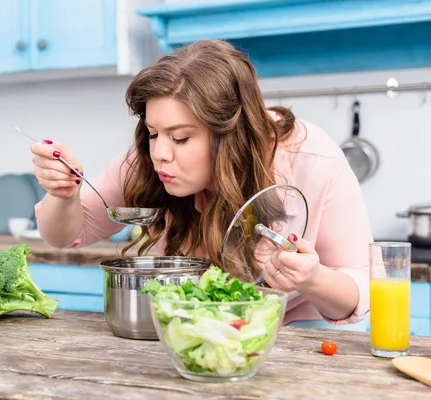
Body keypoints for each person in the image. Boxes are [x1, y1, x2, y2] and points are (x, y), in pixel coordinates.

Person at [31, 39, 377, 329]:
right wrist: (62, 195)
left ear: (231, 136)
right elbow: (64, 235)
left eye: (180, 138)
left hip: (293, 328)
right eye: (153, 133)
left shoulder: (312, 158)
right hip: (188, 326)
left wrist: (312, 279)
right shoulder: (149, 158)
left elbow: (363, 287)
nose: (160, 154)